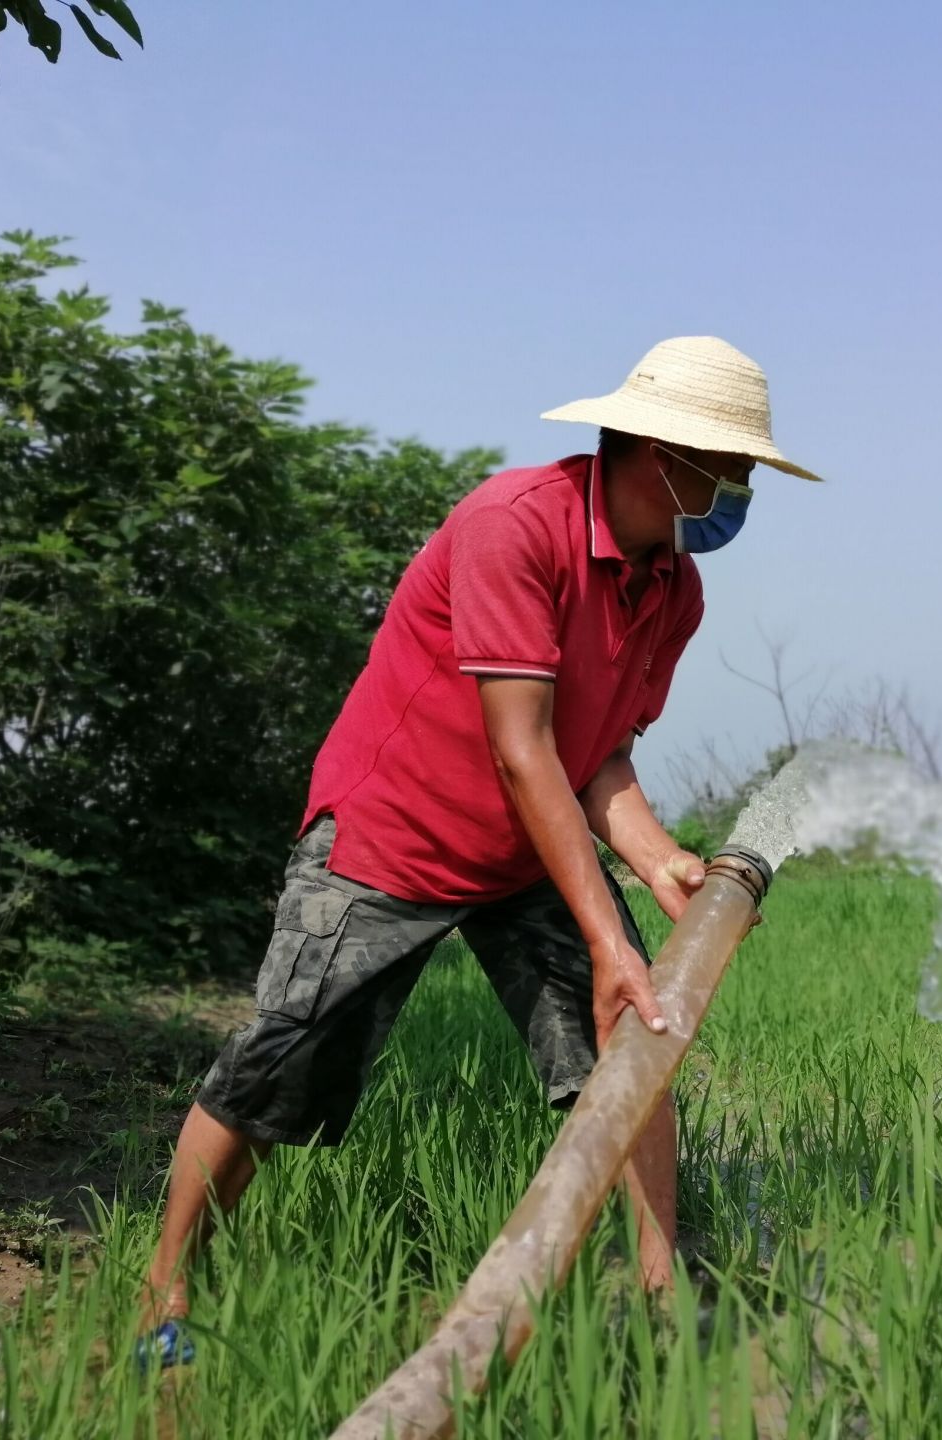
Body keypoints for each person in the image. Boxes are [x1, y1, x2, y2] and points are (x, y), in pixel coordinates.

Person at [135, 335, 821, 1369]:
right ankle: (166, 1286)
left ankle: (659, 1284)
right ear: (653, 450)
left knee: (634, 1040)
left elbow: (599, 761)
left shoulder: (671, 591)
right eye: (726, 466)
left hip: (525, 849)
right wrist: (607, 935)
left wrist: (657, 860)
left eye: (745, 472)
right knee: (280, 1064)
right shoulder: (515, 526)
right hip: (393, 835)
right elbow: (521, 746)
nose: (736, 490)